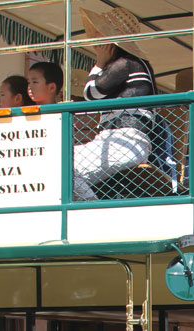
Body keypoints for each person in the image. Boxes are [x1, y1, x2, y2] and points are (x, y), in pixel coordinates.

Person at [72, 6, 158, 201]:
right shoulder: (132, 63)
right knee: (60, 162)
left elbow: (90, 94)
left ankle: (94, 211)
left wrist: (99, 63)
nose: (95, 38)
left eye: (100, 33)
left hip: (125, 141)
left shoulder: (125, 64)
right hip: (118, 141)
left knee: (63, 167)